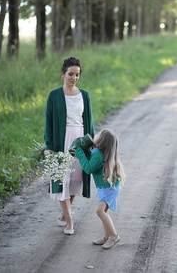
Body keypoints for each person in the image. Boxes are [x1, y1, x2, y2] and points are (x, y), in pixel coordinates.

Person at [44, 57, 95, 235]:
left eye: (77, 75)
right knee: (61, 180)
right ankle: (70, 221)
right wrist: (49, 146)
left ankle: (64, 214)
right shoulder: (54, 95)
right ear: (63, 74)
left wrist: (92, 144)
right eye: (71, 74)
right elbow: (48, 123)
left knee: (75, 180)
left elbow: (89, 122)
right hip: (61, 141)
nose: (74, 78)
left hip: (79, 141)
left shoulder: (85, 95)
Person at [74, 129, 126, 249]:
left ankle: (114, 236)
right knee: (103, 211)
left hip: (108, 189)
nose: (95, 135)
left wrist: (80, 153)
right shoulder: (99, 153)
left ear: (101, 141)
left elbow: (88, 168)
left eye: (98, 135)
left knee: (99, 211)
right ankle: (107, 236)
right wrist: (86, 152)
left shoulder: (98, 154)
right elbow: (91, 161)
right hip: (108, 187)